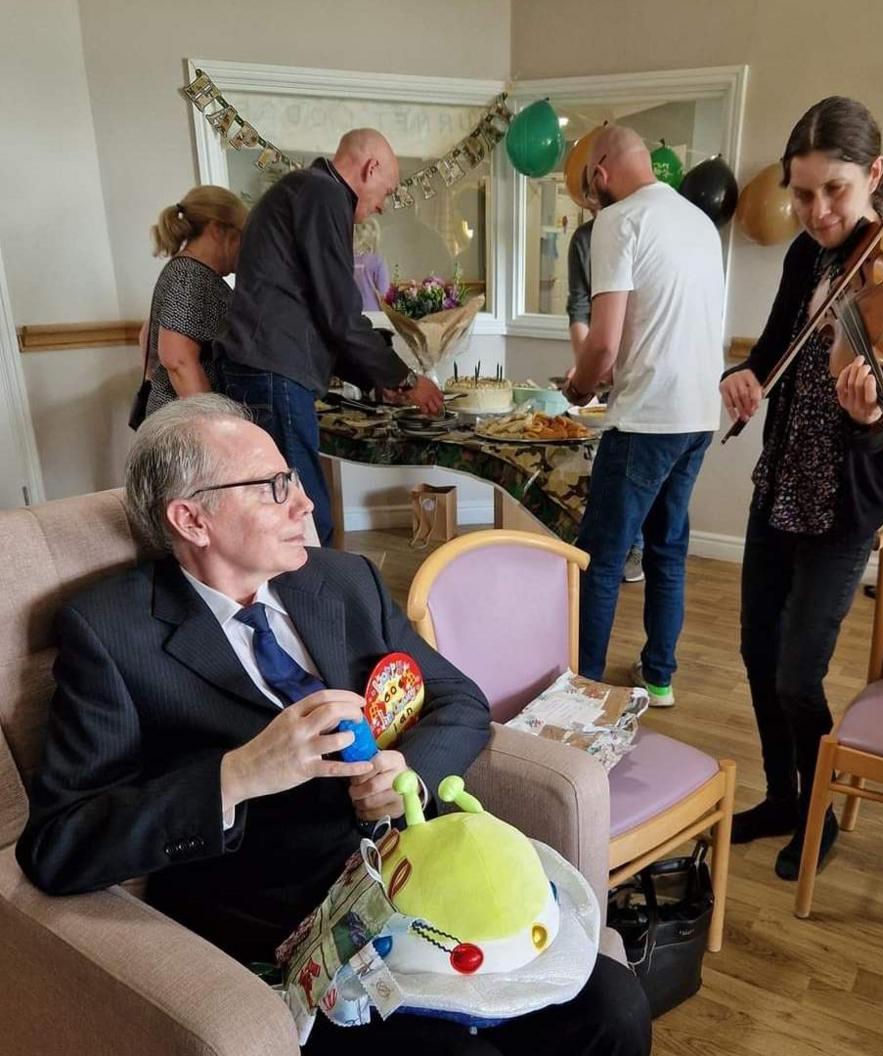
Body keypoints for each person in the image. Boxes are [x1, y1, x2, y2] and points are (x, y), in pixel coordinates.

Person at [15, 395, 650, 1056]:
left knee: (613, 1007)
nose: (306, 505)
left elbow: (458, 700)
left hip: (419, 881)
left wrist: (411, 772)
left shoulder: (346, 582)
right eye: (273, 488)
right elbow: (59, 845)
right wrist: (235, 776)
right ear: (191, 518)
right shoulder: (112, 632)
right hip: (286, 927)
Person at [719, 97, 883, 881]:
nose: (816, 211)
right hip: (780, 480)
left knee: (797, 671)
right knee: (753, 651)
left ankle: (820, 809)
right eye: (803, 193)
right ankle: (782, 795)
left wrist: (867, 412)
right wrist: (740, 374)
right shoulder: (802, 257)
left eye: (835, 191)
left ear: (875, 176)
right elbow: (774, 347)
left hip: (845, 499)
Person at [214, 129, 444, 546]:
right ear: (370, 168)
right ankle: (315, 609)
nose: (383, 206)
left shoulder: (306, 191)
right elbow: (340, 315)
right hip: (275, 374)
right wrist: (406, 380)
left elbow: (320, 316)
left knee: (285, 508)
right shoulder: (322, 195)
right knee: (302, 517)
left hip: (266, 369)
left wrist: (379, 379)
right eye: (387, 191)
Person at [566, 126, 725, 708]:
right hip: (698, 414)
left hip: (646, 419)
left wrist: (580, 387)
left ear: (601, 176)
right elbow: (664, 321)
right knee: (666, 548)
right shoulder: (698, 221)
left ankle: (583, 685)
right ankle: (658, 676)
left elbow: (603, 345)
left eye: (589, 190)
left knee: (601, 558)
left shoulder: (619, 220)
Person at [565, 176, 644, 586]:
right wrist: (586, 366)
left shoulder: (640, 225)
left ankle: (632, 548)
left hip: (636, 375)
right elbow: (579, 308)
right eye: (591, 205)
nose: (597, 212)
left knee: (633, 476)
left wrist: (593, 370)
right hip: (603, 362)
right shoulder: (583, 239)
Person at [143, 186, 248, 417]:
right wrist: (215, 425)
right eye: (242, 235)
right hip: (187, 426)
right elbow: (177, 359)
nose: (245, 247)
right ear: (217, 230)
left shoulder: (187, 272)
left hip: (178, 416)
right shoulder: (189, 275)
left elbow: (146, 336)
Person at [353, 215, 390, 311]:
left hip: (349, 313)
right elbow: (384, 292)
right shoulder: (377, 260)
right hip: (373, 312)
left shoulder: (346, 258)